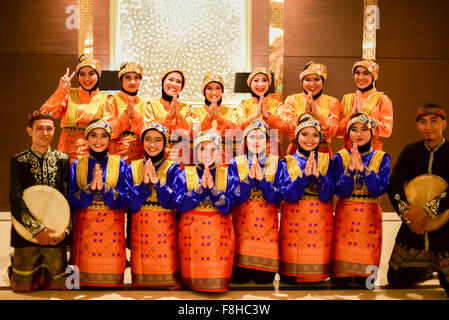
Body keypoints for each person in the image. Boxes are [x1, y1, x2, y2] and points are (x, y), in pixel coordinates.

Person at [387, 103, 449, 296]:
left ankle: (439, 268)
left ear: (444, 124)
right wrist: (408, 216)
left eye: (434, 121)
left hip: (445, 226)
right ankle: (426, 269)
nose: (428, 126)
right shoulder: (410, 151)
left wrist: (425, 210)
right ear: (418, 125)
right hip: (413, 226)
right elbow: (394, 184)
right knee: (395, 280)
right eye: (423, 122)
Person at [8, 110, 70, 292]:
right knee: (23, 287)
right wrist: (36, 229)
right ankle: (14, 267)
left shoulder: (63, 159)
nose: (45, 133)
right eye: (40, 128)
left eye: (49, 129)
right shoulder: (19, 160)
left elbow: (66, 197)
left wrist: (65, 229)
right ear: (30, 131)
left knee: (60, 286)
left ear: (54, 130)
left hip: (54, 234)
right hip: (26, 232)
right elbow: (15, 198)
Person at [331, 113, 390, 287]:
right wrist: (349, 172)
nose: (359, 133)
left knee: (367, 283)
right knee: (341, 282)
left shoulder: (382, 157)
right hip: (346, 216)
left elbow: (379, 189)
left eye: (364, 129)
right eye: (354, 130)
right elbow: (340, 190)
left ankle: (367, 276)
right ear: (348, 133)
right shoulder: (340, 157)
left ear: (372, 132)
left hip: (369, 217)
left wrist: (365, 171)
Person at [68, 119, 128, 287]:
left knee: (111, 290)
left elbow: (124, 201)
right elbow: (71, 201)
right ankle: (74, 283)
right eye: (93, 136)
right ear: (87, 138)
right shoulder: (77, 164)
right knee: (78, 285)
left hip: (112, 231)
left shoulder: (120, 164)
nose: (98, 141)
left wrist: (106, 190)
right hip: (84, 231)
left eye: (103, 136)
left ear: (109, 139)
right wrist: (89, 190)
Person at [176, 131, 237, 292]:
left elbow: (230, 206)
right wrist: (200, 191)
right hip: (192, 233)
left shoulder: (227, 174)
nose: (208, 154)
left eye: (212, 150)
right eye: (202, 149)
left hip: (220, 234)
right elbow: (180, 205)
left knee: (217, 276)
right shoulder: (184, 174)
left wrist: (214, 190)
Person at [228, 119, 287, 284]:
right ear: (245, 140)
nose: (256, 141)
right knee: (239, 278)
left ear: (267, 141)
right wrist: (248, 181)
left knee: (264, 280)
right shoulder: (236, 163)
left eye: (261, 137)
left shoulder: (276, 163)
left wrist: (262, 181)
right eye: (252, 137)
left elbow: (277, 198)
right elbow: (234, 198)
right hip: (242, 229)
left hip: (267, 229)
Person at [125, 121, 182, 288]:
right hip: (140, 227)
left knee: (166, 278)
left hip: (165, 228)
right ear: (142, 142)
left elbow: (173, 202)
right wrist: (143, 185)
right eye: (148, 139)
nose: (152, 144)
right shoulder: (132, 168)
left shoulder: (172, 168)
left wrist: (157, 183)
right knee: (142, 278)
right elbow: (131, 205)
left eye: (158, 140)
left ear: (164, 143)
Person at [279, 115, 335, 284]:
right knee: (291, 277)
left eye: (315, 135)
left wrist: (319, 178)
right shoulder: (286, 161)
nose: (310, 139)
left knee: (317, 277)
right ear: (297, 137)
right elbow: (287, 195)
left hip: (320, 221)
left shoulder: (327, 160)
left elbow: (328, 194)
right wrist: (303, 177)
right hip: (293, 221)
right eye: (305, 134)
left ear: (320, 138)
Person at [40, 54, 107, 163]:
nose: (86, 78)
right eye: (82, 74)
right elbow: (44, 114)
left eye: (91, 74)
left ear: (98, 75)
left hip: (93, 155)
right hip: (65, 154)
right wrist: (61, 90)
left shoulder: (106, 99)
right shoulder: (69, 94)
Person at [283, 62, 341, 156]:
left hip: (323, 152)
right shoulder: (291, 100)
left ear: (323, 81)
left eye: (317, 79)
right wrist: (304, 116)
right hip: (296, 150)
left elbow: (332, 132)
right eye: (307, 79)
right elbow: (288, 129)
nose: (312, 84)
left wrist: (317, 115)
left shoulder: (333, 101)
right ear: (302, 81)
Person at [185, 72, 240, 165]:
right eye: (209, 88)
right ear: (204, 91)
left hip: (225, 163)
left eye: (218, 88)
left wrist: (219, 117)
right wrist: (209, 117)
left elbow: (236, 133)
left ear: (222, 91)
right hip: (201, 162)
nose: (214, 92)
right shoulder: (194, 111)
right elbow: (192, 133)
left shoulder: (232, 111)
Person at [337, 59, 393, 151]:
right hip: (348, 152)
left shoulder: (382, 99)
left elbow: (387, 130)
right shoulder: (347, 98)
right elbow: (338, 132)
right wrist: (352, 114)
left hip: (372, 152)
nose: (360, 77)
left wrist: (363, 116)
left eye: (366, 73)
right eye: (357, 73)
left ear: (373, 76)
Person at [103, 62, 146, 164]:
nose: (132, 81)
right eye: (128, 77)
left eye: (136, 78)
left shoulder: (144, 104)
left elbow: (146, 134)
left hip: (139, 155)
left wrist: (135, 117)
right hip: (116, 154)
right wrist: (125, 115)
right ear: (121, 79)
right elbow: (108, 131)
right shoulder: (111, 100)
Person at [144, 69, 191, 165]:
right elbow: (151, 133)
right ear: (162, 82)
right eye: (170, 80)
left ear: (181, 87)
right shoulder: (151, 107)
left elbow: (188, 133)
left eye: (178, 82)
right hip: (158, 159)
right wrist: (169, 116)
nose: (174, 84)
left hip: (182, 160)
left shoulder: (188, 108)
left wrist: (178, 115)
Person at [236, 68, 285, 157]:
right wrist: (255, 116)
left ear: (269, 84)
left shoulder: (277, 104)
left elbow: (282, 128)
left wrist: (266, 115)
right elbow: (238, 128)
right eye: (256, 80)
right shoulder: (243, 105)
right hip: (248, 151)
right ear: (250, 84)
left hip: (272, 151)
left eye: (264, 80)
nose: (260, 84)